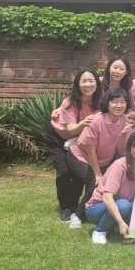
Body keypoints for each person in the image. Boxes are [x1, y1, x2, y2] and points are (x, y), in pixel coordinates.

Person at [66, 88, 133, 229]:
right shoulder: (96, 120)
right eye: (115, 101)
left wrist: (123, 135)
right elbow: (90, 151)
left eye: (123, 102)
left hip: (103, 159)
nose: (119, 105)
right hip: (80, 156)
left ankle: (104, 213)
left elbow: (120, 150)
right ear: (107, 103)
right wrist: (97, 174)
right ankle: (78, 216)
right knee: (94, 183)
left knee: (106, 186)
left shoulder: (125, 121)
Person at [46, 68, 101, 222]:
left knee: (78, 172)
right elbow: (71, 129)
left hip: (80, 140)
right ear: (77, 83)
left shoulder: (101, 100)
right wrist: (83, 123)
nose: (88, 84)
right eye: (84, 81)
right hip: (58, 138)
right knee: (64, 171)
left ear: (97, 83)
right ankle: (65, 208)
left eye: (91, 81)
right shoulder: (69, 102)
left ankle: (74, 205)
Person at [84, 131, 135, 245]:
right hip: (97, 208)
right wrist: (121, 222)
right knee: (124, 205)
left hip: (122, 204)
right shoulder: (119, 166)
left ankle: (115, 223)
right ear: (129, 147)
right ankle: (100, 230)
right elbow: (107, 197)